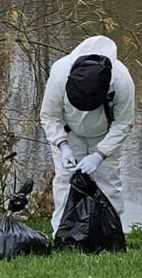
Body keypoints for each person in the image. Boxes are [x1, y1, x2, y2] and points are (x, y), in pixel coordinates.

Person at [40, 35, 135, 235]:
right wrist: (62, 146)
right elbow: (49, 116)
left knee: (108, 182)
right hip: (69, 132)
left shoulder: (121, 80)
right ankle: (62, 234)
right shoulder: (59, 73)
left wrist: (100, 154)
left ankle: (111, 234)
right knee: (65, 180)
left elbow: (124, 122)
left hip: (105, 133)